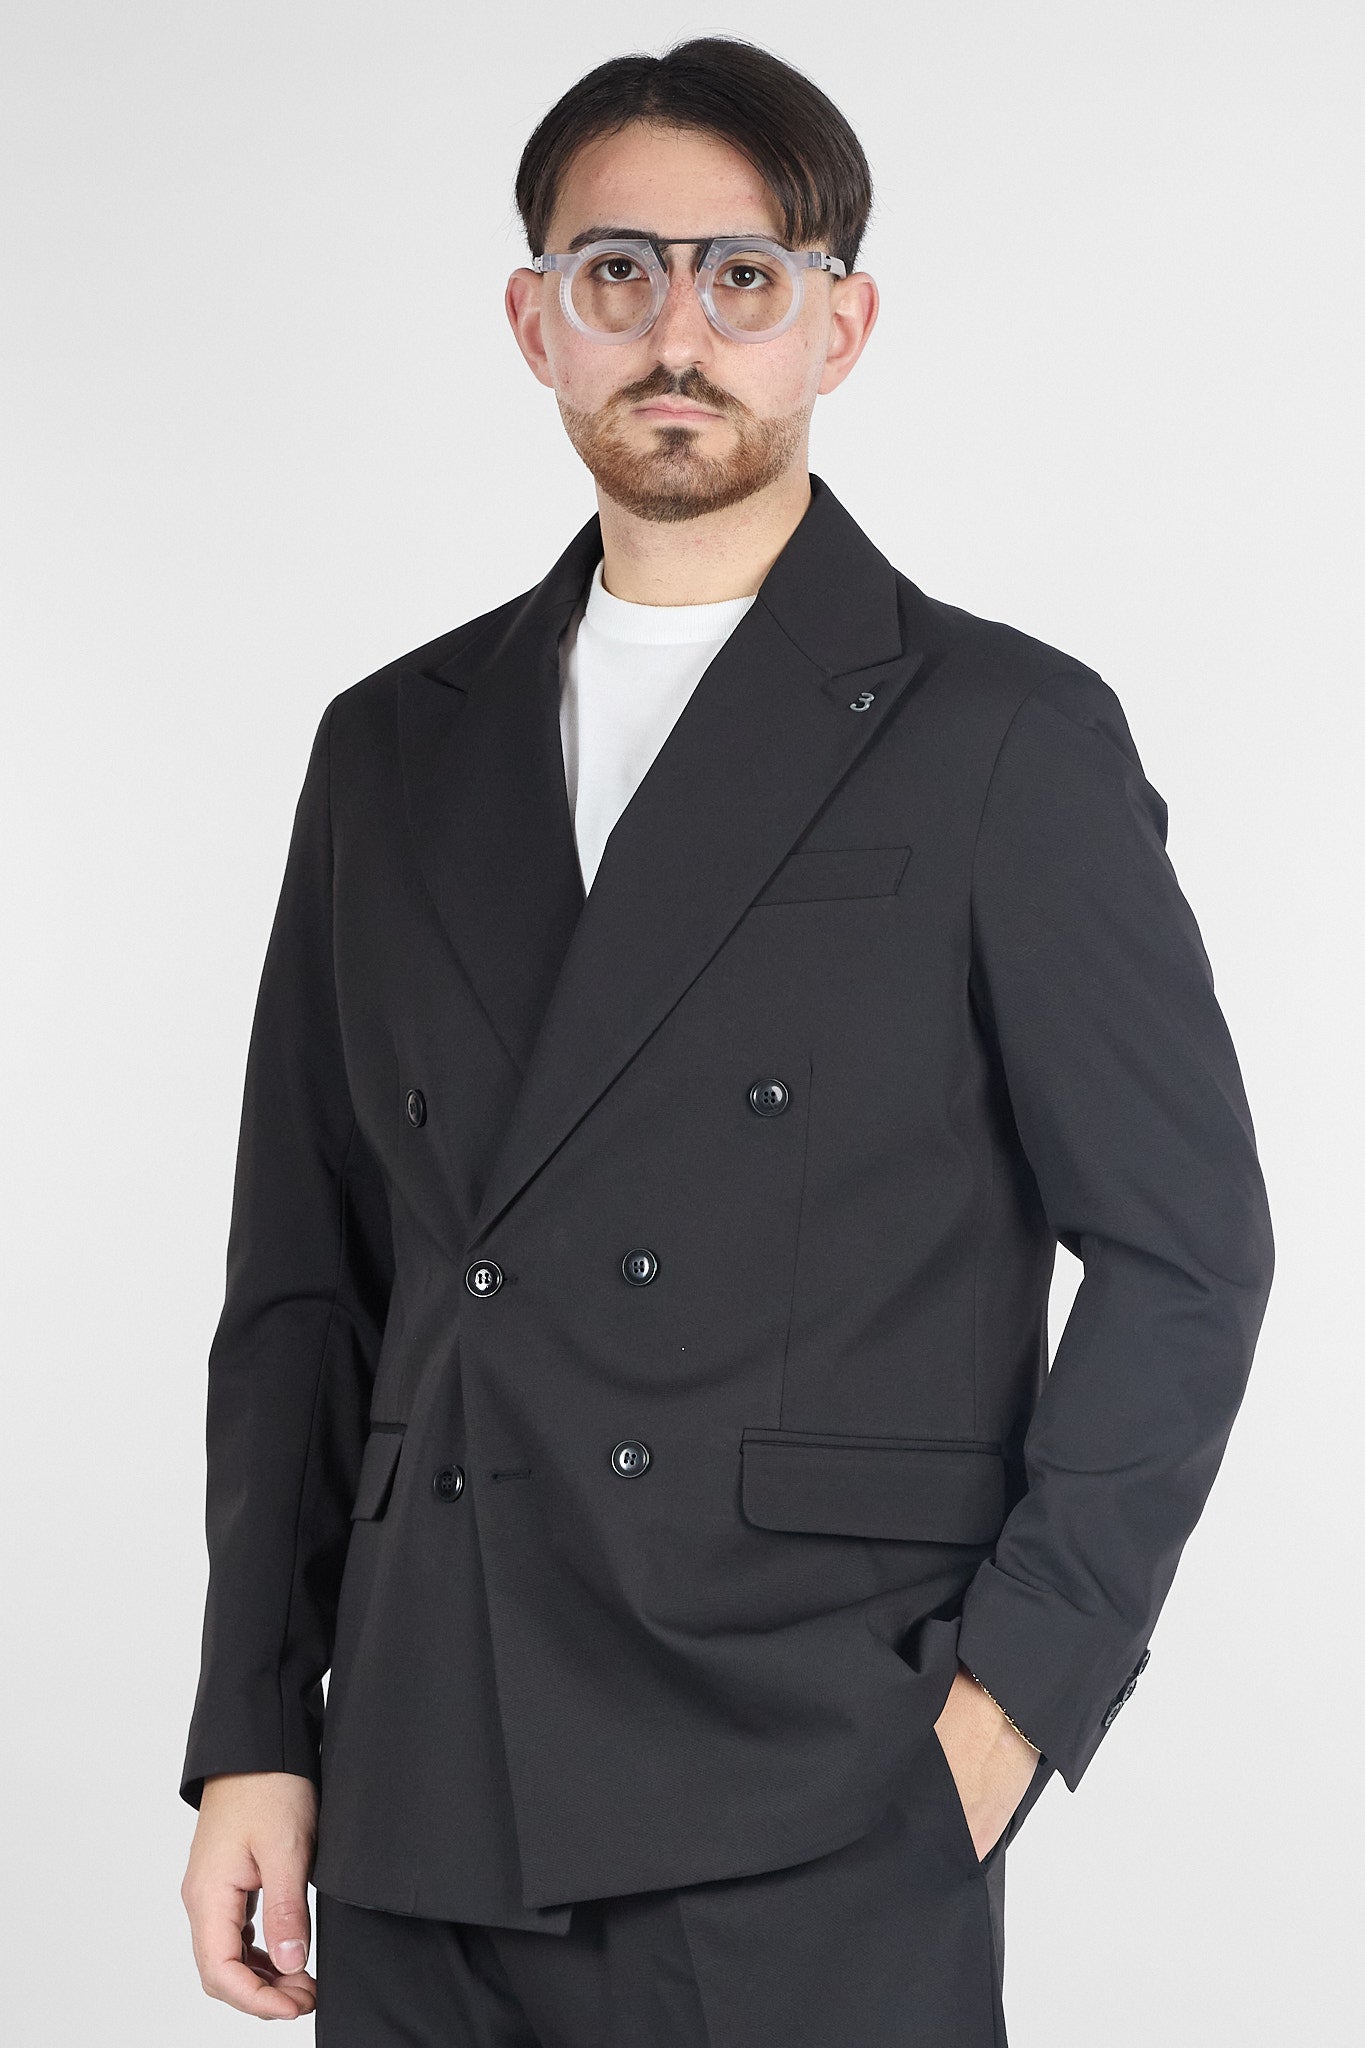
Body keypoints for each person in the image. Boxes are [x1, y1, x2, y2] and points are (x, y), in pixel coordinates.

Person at [178, 35, 1274, 2046]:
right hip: (420, 1769)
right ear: (536, 319)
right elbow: (305, 1282)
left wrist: (1008, 1703)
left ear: (835, 324)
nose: (675, 333)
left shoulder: (999, 736)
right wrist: (256, 1723)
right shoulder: (390, 746)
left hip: (804, 1780)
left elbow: (1185, 1256)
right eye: (617, 272)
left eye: (740, 276)